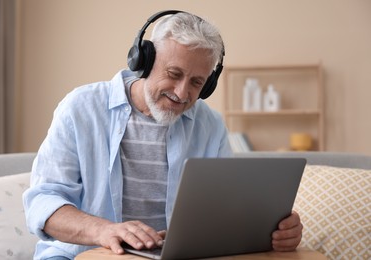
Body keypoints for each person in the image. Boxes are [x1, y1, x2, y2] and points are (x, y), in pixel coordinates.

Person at [23, 10, 303, 259]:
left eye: (196, 82)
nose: (182, 93)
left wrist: (275, 230)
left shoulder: (210, 125)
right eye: (173, 73)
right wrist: (103, 231)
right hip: (79, 255)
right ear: (143, 61)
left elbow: (224, 212)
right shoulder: (80, 108)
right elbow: (43, 202)